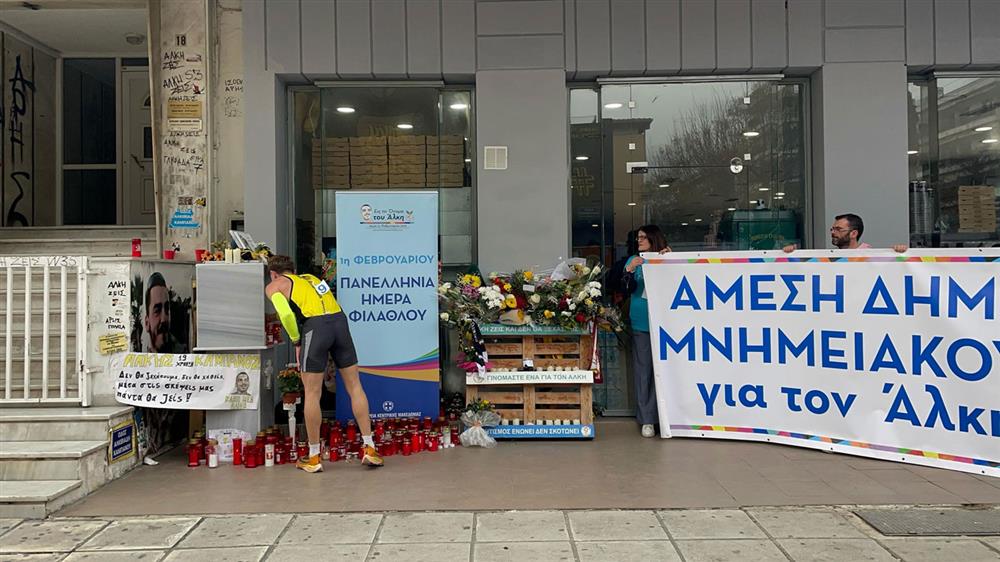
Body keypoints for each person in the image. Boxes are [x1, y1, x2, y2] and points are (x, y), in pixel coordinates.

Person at [265, 255, 383, 472]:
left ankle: (313, 456)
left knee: (312, 392)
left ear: (273, 273)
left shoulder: (275, 285)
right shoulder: (310, 278)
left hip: (315, 327)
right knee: (355, 386)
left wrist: (297, 341)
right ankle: (369, 447)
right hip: (339, 322)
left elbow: (286, 315)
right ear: (293, 269)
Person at [622, 225, 671, 438]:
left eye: (643, 238)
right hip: (642, 322)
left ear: (653, 239)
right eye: (638, 238)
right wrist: (629, 270)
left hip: (668, 324)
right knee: (644, 372)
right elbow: (624, 289)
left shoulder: (666, 257)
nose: (639, 241)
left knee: (669, 371)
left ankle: (668, 417)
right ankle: (647, 419)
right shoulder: (634, 260)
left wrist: (671, 262)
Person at [783, 213, 907, 253]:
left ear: (854, 233)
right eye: (832, 229)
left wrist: (899, 253)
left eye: (838, 229)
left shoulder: (869, 255)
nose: (833, 232)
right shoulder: (832, 257)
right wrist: (789, 255)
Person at [144, 272, 184, 353]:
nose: (164, 319)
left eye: (166, 309)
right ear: (147, 323)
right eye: (157, 311)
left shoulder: (183, 355)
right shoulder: (139, 362)